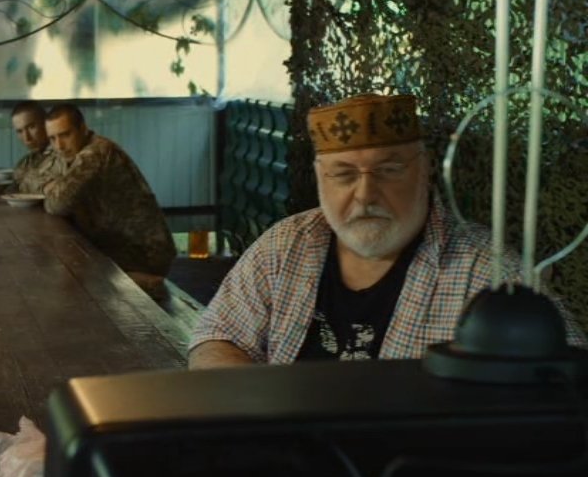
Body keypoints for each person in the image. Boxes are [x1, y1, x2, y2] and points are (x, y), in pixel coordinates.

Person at [188, 93, 588, 368]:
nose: (365, 194)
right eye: (344, 174)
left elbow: (566, 390)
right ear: (320, 179)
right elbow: (218, 337)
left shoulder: (493, 275)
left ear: (425, 170)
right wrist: (263, 419)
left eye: (389, 170)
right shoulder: (285, 244)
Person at [42, 104, 176, 297]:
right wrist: (51, 188)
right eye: (52, 138)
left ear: (83, 128)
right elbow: (33, 178)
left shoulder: (95, 152)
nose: (59, 146)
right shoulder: (75, 153)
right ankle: (123, 282)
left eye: (65, 135)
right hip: (119, 244)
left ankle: (139, 283)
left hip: (144, 252)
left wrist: (51, 189)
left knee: (71, 283)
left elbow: (57, 204)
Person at [9, 100, 57, 193]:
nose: (26, 137)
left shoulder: (64, 155)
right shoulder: (25, 163)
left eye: (31, 127)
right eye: (20, 131)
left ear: (46, 123)